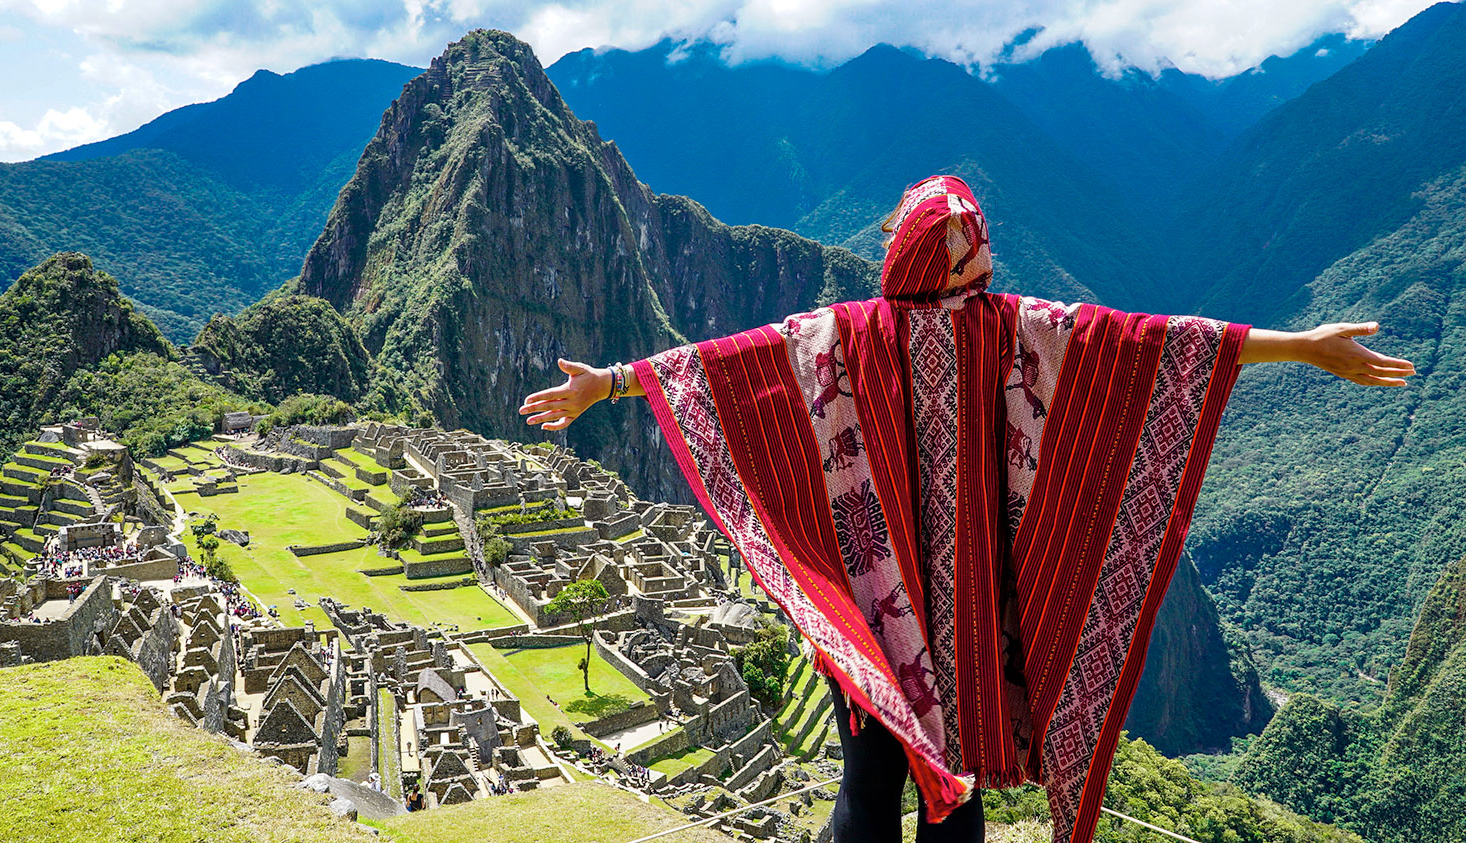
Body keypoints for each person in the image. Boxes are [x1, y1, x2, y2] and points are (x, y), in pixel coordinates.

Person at [519, 175, 1414, 843]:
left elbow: (739, 364)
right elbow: (1149, 345)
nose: (986, 257)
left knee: (889, 785)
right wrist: (1299, 346)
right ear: (939, 260)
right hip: (950, 623)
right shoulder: (977, 330)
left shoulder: (894, 332)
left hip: (892, 612)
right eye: (971, 247)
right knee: (922, 794)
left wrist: (612, 383)